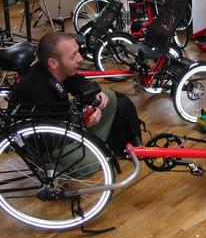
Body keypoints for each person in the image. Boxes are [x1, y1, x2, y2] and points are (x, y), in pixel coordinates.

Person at [10, 32, 142, 157]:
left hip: (59, 124)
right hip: (45, 147)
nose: (80, 58)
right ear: (53, 62)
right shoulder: (38, 92)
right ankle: (94, 151)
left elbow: (73, 80)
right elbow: (48, 140)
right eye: (73, 56)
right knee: (89, 163)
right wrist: (82, 125)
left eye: (78, 51)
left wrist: (94, 92)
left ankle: (97, 146)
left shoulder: (49, 69)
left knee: (109, 97)